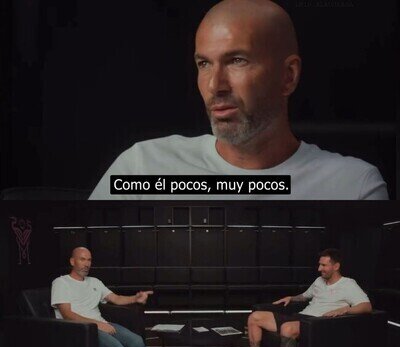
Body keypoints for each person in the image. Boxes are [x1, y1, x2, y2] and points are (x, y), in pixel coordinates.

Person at [89, 0, 387, 200]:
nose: (215, 85)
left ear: (288, 76)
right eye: (204, 64)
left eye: (237, 60)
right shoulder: (143, 166)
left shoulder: (353, 186)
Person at [233, 248, 372, 347]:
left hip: (316, 325)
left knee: (287, 328)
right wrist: (292, 298)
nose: (319, 269)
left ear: (336, 266)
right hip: (299, 317)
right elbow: (305, 296)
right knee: (255, 317)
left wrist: (346, 309)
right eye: (319, 264)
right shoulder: (319, 281)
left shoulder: (348, 284)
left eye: (324, 265)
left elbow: (366, 306)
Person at [51, 247, 161, 347]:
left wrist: (135, 298)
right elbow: (67, 314)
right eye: (82, 259)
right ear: (72, 261)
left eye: (89, 260)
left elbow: (116, 298)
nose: (86, 264)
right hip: (80, 330)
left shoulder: (94, 282)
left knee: (136, 340)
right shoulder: (61, 282)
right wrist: (98, 325)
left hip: (101, 325)